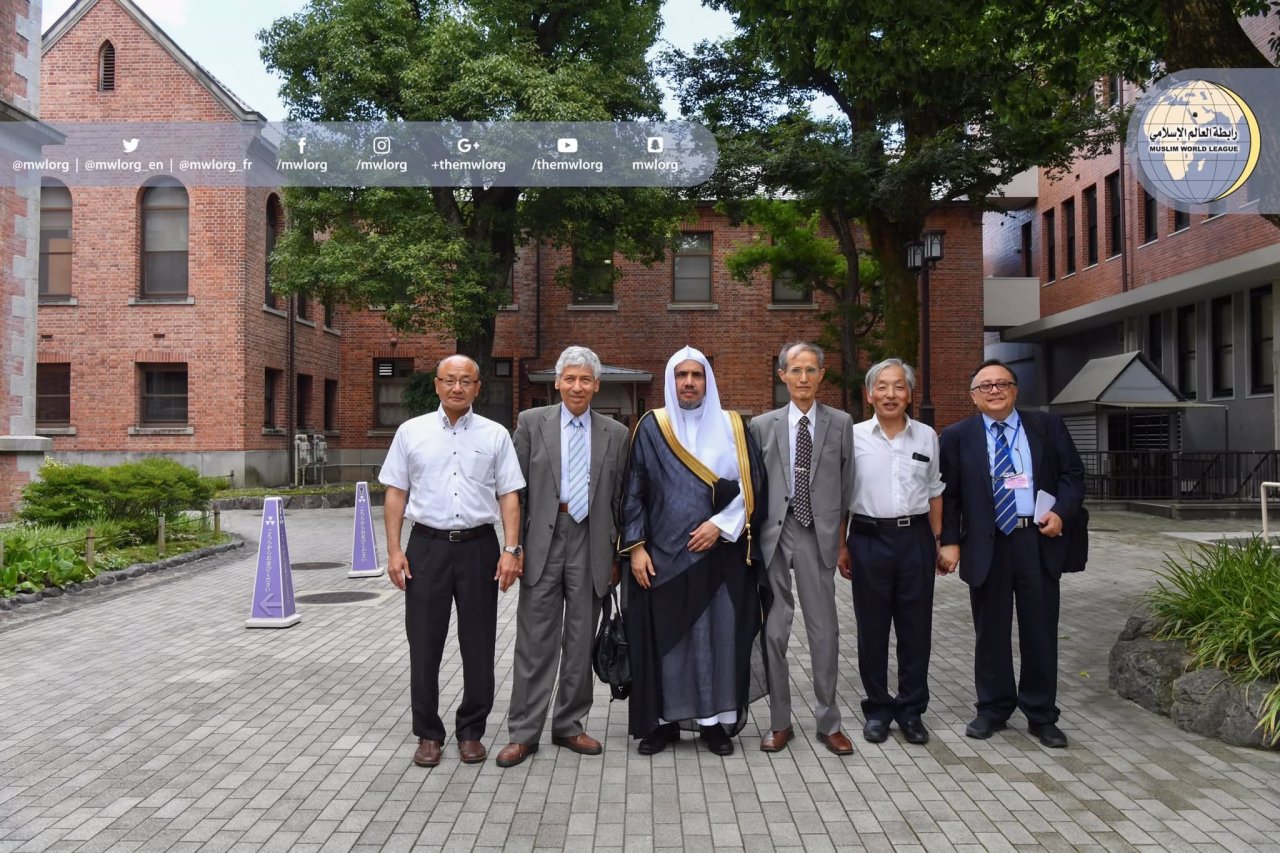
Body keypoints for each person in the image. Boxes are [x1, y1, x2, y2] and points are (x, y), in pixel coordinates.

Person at [380, 354, 526, 768]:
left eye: (466, 380)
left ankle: (471, 731)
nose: (457, 387)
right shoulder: (412, 432)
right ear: (437, 385)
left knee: (479, 645)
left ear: (479, 387)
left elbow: (509, 494)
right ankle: (428, 733)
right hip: (426, 547)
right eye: (449, 380)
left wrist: (511, 549)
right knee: (424, 643)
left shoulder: (496, 435)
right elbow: (395, 492)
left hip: (480, 546)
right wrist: (394, 550)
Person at [621, 346, 768, 757]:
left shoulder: (733, 426)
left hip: (719, 556)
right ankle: (664, 722)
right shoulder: (653, 426)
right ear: (671, 380)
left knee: (718, 638)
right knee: (668, 640)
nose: (689, 382)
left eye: (697, 375)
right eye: (682, 374)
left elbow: (754, 485)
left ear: (708, 380)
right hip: (662, 558)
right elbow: (634, 490)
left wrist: (719, 526)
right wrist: (635, 549)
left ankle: (713, 723)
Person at [938, 359, 1085, 749]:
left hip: (1036, 538)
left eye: (1002, 383)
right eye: (985, 386)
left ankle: (1041, 713)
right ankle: (993, 707)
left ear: (1016, 390)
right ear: (973, 396)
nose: (994, 390)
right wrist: (948, 540)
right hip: (986, 543)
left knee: (1040, 629)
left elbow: (1073, 475)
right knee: (991, 630)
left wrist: (1061, 513)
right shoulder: (956, 436)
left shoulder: (1046, 426)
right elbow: (948, 496)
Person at [496, 346, 630, 768]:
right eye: (569, 379)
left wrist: (616, 554)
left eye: (585, 379)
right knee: (535, 641)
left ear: (596, 385)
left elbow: (621, 500)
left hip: (592, 541)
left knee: (579, 640)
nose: (577, 386)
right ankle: (524, 731)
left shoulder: (616, 433)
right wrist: (513, 547)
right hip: (543, 540)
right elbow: (513, 492)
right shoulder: (531, 423)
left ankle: (570, 724)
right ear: (557, 383)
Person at [750, 342, 855, 755]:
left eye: (811, 370)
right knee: (774, 632)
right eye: (796, 370)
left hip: (818, 534)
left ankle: (829, 722)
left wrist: (843, 541)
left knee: (823, 631)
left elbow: (847, 487)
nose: (804, 378)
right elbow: (754, 485)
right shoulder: (762, 425)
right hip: (775, 535)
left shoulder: (841, 422)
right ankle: (780, 722)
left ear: (822, 375)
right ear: (783, 375)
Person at [847, 358, 945, 746]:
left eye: (899, 386)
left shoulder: (926, 436)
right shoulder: (852, 436)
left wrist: (938, 541)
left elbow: (936, 490)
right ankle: (877, 709)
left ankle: (911, 710)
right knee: (872, 630)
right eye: (882, 387)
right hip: (868, 538)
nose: (890, 394)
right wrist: (841, 545)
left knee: (915, 629)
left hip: (915, 539)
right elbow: (841, 497)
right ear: (869, 394)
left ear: (910, 393)